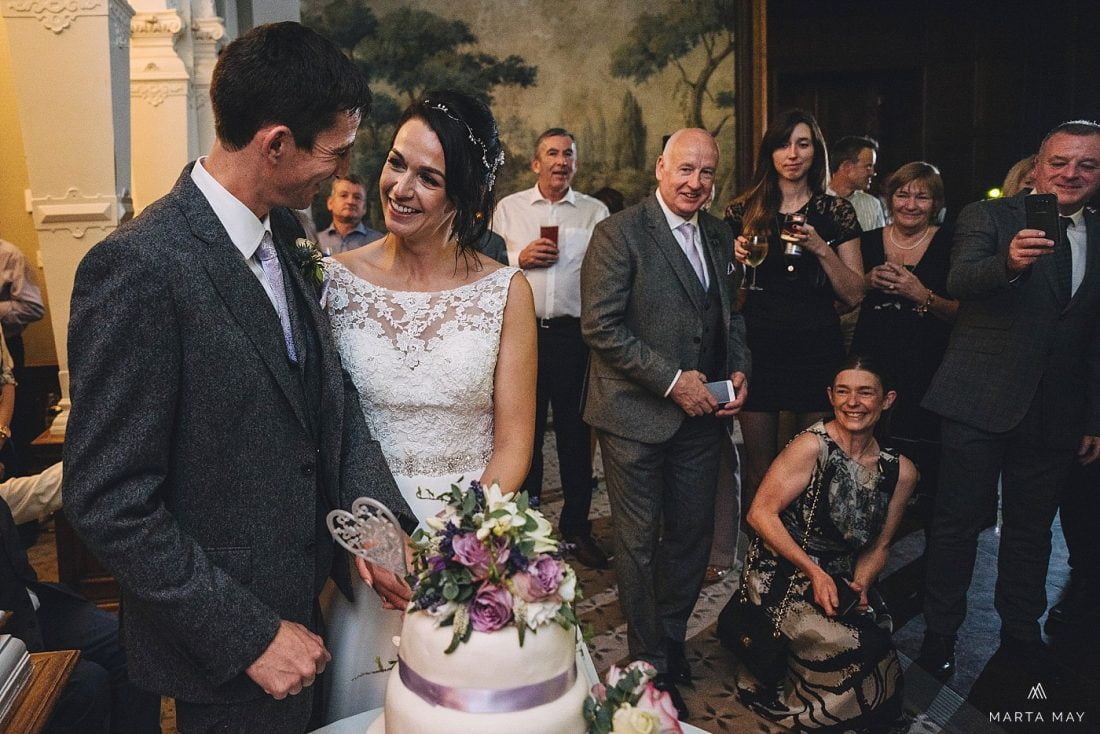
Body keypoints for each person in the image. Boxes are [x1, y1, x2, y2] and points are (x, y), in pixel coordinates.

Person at [63, 22, 414, 733]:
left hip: (312, 602)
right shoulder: (139, 268)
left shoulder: (285, 233)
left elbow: (326, 399)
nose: (344, 170)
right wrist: (248, 634)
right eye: (336, 151)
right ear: (276, 143)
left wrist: (376, 522)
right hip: (230, 649)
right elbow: (107, 500)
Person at [321, 89, 537, 720]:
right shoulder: (332, 282)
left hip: (469, 542)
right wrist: (376, 542)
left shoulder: (506, 292)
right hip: (366, 543)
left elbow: (515, 444)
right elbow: (325, 430)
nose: (400, 188)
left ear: (464, 199)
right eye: (395, 163)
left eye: (428, 178)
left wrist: (446, 547)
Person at [919, 120, 1100, 684]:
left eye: (1087, 165)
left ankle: (1020, 634)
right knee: (955, 527)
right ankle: (940, 635)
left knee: (1032, 531)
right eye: (1060, 162)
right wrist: (1010, 264)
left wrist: (1094, 415)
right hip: (979, 400)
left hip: (1057, 413)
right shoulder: (988, 216)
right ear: (1039, 165)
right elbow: (959, 282)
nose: (1071, 174)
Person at [581, 128, 750, 717]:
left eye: (706, 173)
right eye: (684, 169)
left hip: (704, 422)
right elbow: (600, 328)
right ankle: (648, 659)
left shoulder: (721, 234)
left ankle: (671, 637)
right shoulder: (618, 233)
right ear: (659, 168)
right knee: (638, 544)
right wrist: (675, 381)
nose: (695, 183)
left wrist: (739, 372)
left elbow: (734, 317)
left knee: (691, 537)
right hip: (633, 418)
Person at [732, 356, 915, 732]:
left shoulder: (901, 471)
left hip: (841, 576)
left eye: (866, 393)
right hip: (781, 572)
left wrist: (861, 585)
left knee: (877, 639)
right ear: (831, 397)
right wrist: (813, 571)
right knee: (856, 647)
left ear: (888, 400)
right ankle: (812, 707)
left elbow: (879, 547)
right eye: (843, 391)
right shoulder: (811, 447)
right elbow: (759, 514)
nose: (853, 402)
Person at [726, 110, 864, 515]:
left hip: (816, 347)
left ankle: (804, 554)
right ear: (770, 153)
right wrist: (733, 264)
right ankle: (761, 558)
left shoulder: (835, 212)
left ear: (815, 152)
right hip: (759, 348)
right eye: (784, 144)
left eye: (803, 144)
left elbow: (854, 292)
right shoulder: (742, 212)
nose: (793, 153)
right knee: (760, 468)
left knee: (812, 467)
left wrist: (821, 247)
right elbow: (725, 298)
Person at [493, 127, 610, 568]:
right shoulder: (510, 209)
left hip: (573, 336)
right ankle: (526, 529)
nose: (561, 161)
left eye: (568, 154)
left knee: (576, 437)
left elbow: (605, 276)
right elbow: (486, 265)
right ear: (536, 163)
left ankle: (577, 528)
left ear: (575, 163)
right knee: (523, 434)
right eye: (552, 153)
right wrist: (517, 259)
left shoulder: (594, 212)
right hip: (521, 334)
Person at [851, 162, 958, 522]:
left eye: (921, 196)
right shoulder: (866, 242)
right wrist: (865, 281)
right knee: (866, 457)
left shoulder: (949, 243)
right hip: (870, 365)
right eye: (902, 194)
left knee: (922, 466)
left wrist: (920, 293)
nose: (910, 204)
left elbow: (963, 313)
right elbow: (838, 302)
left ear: (936, 203)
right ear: (889, 198)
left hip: (927, 369)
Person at [1, 496, 161, 733]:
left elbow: (21, 496)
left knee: (135, 642)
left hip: (30, 605)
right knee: (86, 684)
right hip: (7, 636)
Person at [827, 136, 887, 231]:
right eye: (868, 166)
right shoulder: (813, 200)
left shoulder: (873, 205)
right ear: (847, 167)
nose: (873, 173)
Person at [317, 174, 384, 254]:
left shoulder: (379, 243)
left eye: (357, 197)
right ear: (330, 203)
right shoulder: (316, 242)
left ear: (364, 208)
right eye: (344, 195)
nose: (350, 201)